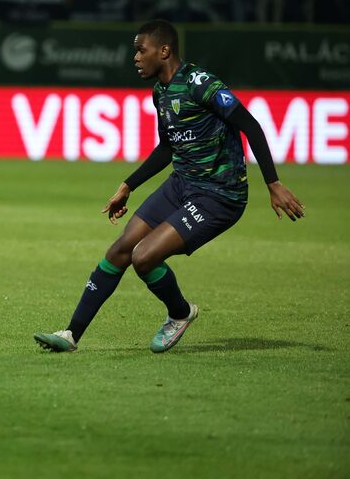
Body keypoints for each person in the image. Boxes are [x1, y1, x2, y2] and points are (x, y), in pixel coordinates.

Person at [34, 19, 304, 354]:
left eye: (140, 50)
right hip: (181, 184)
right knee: (120, 250)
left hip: (219, 195)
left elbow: (250, 124)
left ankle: (180, 312)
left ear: (164, 51)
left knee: (143, 258)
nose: (135, 57)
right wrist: (128, 185)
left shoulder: (199, 83)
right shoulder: (160, 92)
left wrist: (273, 183)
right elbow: (167, 147)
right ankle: (71, 335)